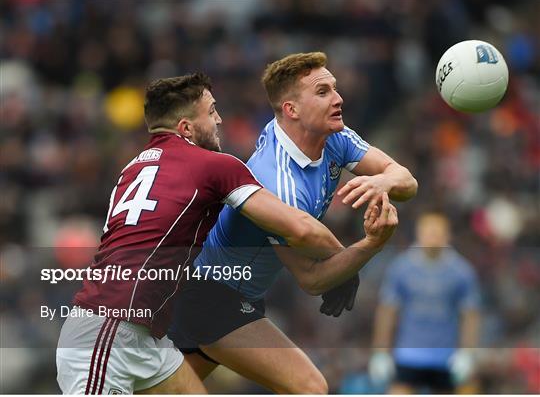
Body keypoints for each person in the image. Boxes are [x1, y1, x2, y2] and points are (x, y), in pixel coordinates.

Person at [55, 73, 370, 394]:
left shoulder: (132, 168)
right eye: (211, 111)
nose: (219, 119)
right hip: (108, 331)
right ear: (186, 128)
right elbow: (299, 228)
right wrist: (347, 260)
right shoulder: (214, 165)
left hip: (144, 337)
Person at [170, 52, 417, 393]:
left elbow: (407, 180)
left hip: (232, 292)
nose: (338, 98)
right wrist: (370, 245)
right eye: (323, 92)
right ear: (292, 110)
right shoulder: (277, 182)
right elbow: (313, 278)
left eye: (334, 88)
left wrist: (382, 182)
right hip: (212, 294)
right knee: (310, 387)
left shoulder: (335, 137)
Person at [369, 211, 481, 394]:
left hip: (446, 357)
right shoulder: (401, 268)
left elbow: (470, 315)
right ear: (419, 234)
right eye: (429, 232)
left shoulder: (462, 272)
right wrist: (380, 352)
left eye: (437, 233)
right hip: (408, 355)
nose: (433, 238)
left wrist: (468, 353)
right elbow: (387, 311)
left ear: (447, 235)